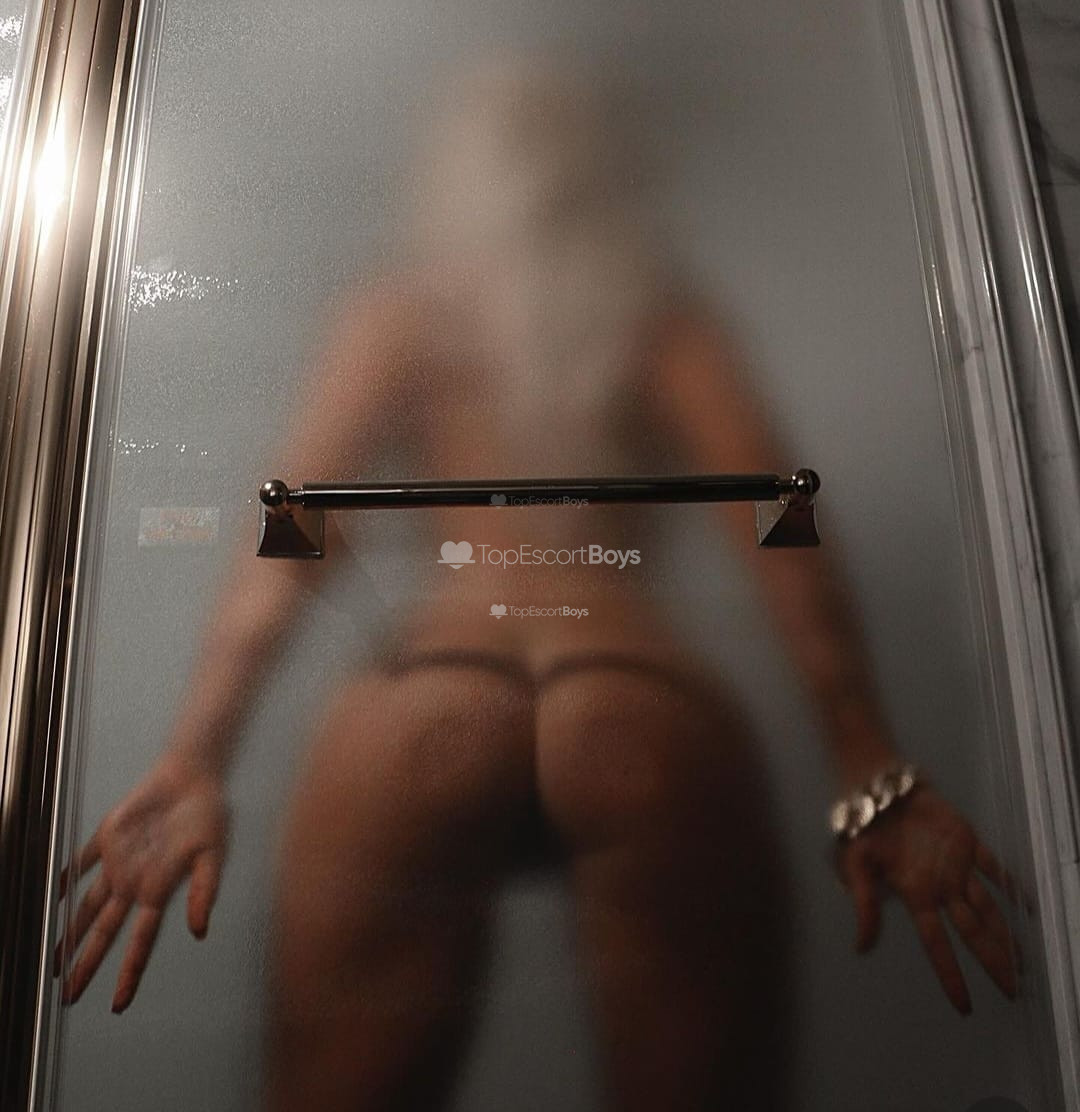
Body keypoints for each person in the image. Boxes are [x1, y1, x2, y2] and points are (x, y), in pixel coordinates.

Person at [55, 59, 1018, 1111]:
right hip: (636, 694)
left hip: (430, 689)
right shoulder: (658, 316)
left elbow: (290, 528)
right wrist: (865, 758)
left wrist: (197, 754)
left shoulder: (404, 315)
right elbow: (783, 520)